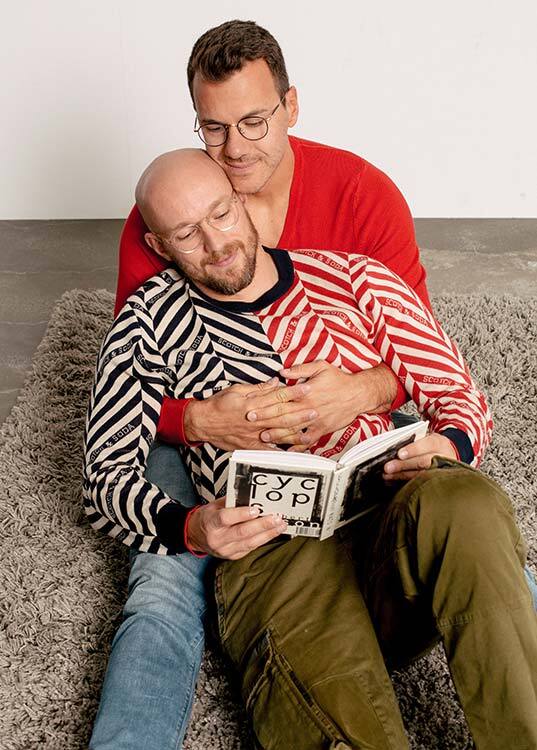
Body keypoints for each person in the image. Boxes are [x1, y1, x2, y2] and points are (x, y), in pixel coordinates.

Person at [88, 20, 537, 749]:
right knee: (162, 591)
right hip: (267, 536)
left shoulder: (355, 262)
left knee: (470, 511)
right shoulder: (149, 311)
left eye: (253, 123)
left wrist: (425, 430)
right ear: (159, 243)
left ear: (289, 108)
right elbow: (109, 461)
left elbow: (444, 381)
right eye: (214, 130)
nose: (235, 151)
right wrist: (198, 462)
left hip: (379, 499)